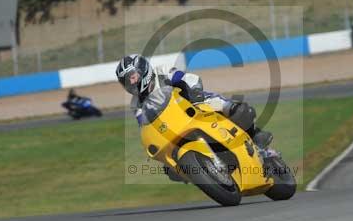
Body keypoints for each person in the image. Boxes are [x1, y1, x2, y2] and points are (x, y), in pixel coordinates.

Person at [116, 54, 279, 177]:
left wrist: (194, 92)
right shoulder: (136, 104)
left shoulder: (162, 72)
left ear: (143, 69)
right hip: (174, 126)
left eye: (132, 77)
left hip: (193, 103)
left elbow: (188, 78)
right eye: (126, 81)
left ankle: (256, 138)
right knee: (170, 171)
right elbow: (145, 126)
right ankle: (202, 173)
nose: (131, 83)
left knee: (236, 110)